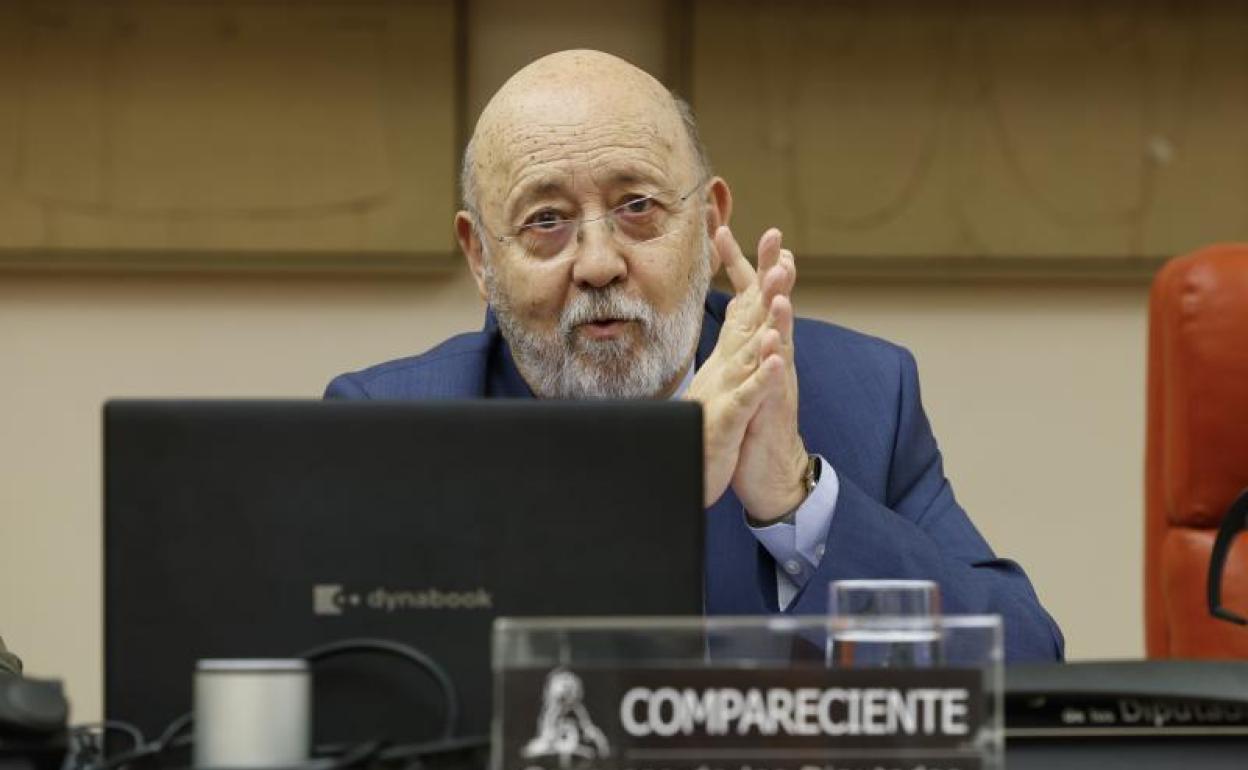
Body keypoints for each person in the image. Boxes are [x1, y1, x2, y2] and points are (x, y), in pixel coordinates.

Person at [326, 50, 1063, 661]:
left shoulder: (860, 394)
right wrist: (656, 491)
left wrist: (795, 501)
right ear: (481, 257)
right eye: (546, 220)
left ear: (709, 223)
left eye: (638, 207)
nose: (599, 263)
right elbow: (378, 702)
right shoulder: (394, 429)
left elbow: (1025, 667)